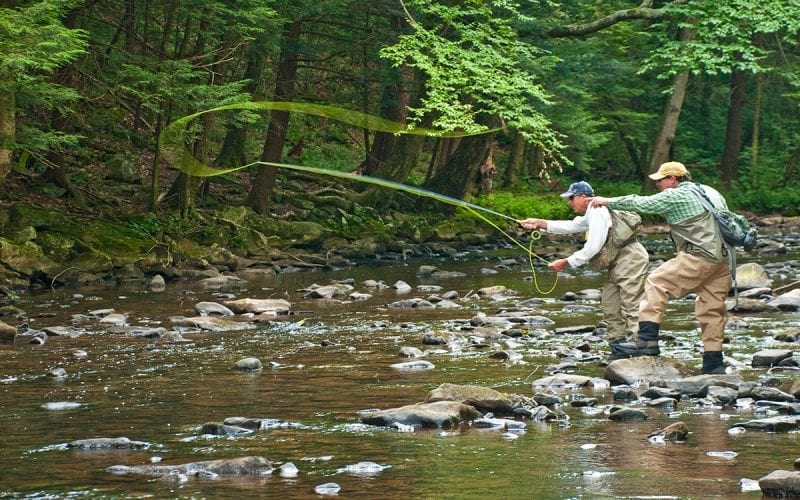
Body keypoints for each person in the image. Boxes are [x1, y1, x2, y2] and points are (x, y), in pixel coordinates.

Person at [591, 161, 732, 374]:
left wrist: (607, 201)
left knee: (656, 282)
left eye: (660, 180)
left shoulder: (677, 195)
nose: (658, 184)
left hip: (699, 256)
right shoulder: (709, 191)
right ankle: (714, 362)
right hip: (723, 260)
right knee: (712, 309)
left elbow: (640, 203)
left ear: (673, 179)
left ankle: (647, 340)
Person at [519, 181, 649, 360]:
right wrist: (539, 223)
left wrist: (566, 262)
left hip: (630, 257)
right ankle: (618, 345)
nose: (569, 202)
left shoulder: (597, 211)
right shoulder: (592, 212)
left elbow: (593, 247)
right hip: (617, 260)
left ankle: (641, 346)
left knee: (631, 302)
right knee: (610, 303)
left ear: (582, 197)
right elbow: (573, 226)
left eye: (571, 198)